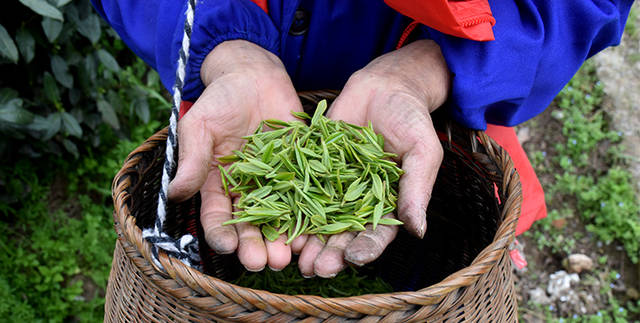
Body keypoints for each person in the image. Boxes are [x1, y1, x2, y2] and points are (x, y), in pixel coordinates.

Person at [91, 0, 633, 278]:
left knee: (454, 226)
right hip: (236, 98)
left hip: (441, 104)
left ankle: (493, 249)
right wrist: (221, 43)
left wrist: (440, 64)